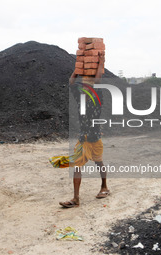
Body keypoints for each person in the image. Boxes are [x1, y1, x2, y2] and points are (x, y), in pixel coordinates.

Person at [49, 52, 109, 208]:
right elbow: (71, 83)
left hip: (95, 137)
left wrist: (101, 61)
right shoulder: (79, 98)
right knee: (77, 166)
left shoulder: (97, 97)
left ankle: (104, 186)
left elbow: (97, 80)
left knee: (99, 163)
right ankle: (76, 199)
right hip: (83, 138)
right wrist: (76, 69)